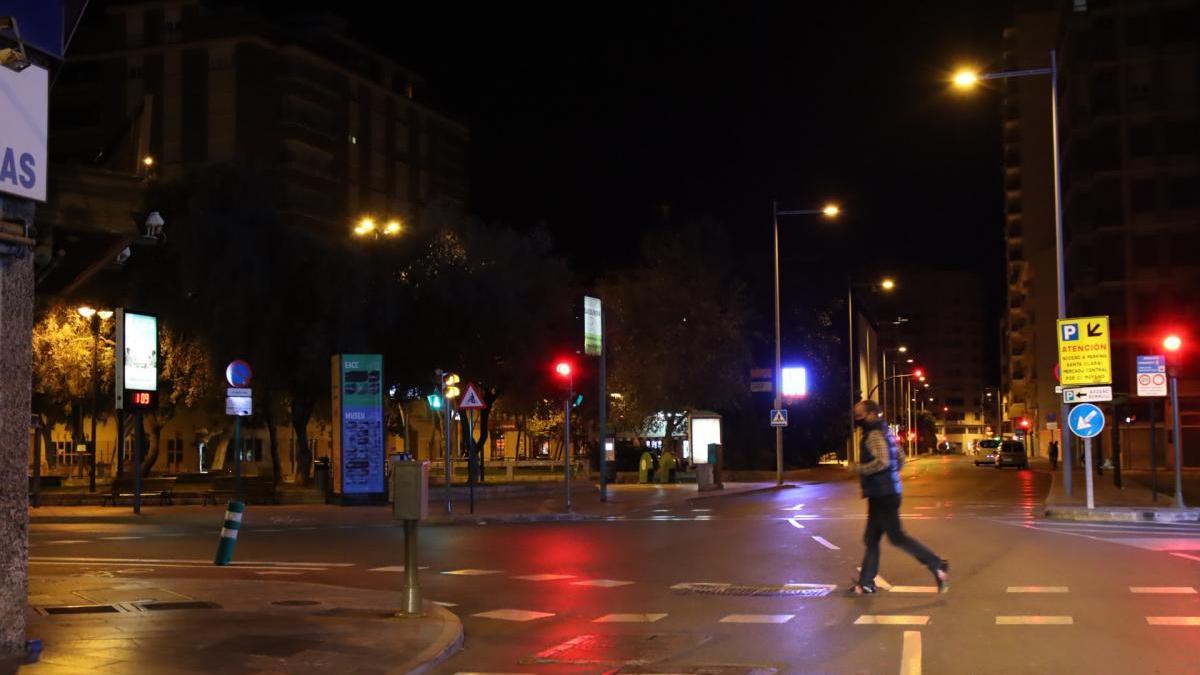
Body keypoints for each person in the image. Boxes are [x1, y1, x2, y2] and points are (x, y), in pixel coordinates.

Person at [848, 400, 950, 595]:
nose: (857, 418)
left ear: (871, 414)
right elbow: (900, 459)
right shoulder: (886, 433)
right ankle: (866, 582)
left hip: (883, 494)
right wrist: (892, 478)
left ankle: (937, 564)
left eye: (859, 414)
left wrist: (860, 469)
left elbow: (883, 462)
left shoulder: (874, 434)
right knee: (871, 538)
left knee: (897, 538)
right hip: (885, 492)